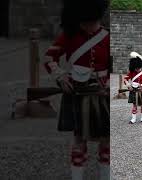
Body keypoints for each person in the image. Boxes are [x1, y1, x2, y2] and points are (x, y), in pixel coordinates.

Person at [43, 0, 110, 179]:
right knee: (79, 141)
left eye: (91, 22)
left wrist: (111, 84)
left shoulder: (108, 37)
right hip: (77, 95)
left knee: (107, 141)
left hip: (103, 95)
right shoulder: (69, 36)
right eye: (84, 22)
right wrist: (60, 76)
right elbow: (49, 58)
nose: (88, 26)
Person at [124, 52, 142, 124]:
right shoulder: (131, 73)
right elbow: (125, 79)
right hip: (134, 90)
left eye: (139, 67)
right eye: (136, 68)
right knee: (134, 105)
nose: (138, 69)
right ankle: (133, 118)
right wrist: (129, 86)